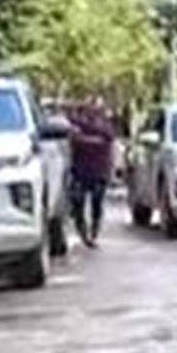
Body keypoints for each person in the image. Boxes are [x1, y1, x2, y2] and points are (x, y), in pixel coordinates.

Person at [69, 95, 116, 248]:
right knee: (78, 203)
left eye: (96, 108)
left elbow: (107, 138)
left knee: (97, 202)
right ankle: (84, 234)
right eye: (89, 107)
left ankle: (94, 232)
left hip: (99, 170)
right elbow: (74, 138)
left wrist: (83, 137)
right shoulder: (75, 122)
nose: (93, 111)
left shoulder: (104, 124)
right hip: (79, 170)